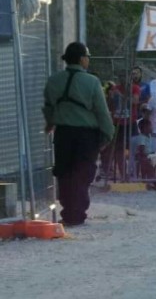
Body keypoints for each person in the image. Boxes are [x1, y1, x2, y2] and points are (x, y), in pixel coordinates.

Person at [43, 42, 114, 227]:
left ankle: (68, 213)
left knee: (64, 172)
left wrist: (50, 124)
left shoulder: (53, 80)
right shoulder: (92, 81)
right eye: (87, 57)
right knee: (83, 174)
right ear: (82, 59)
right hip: (86, 136)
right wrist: (108, 134)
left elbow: (49, 107)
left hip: (63, 134)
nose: (88, 60)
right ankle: (78, 213)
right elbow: (102, 112)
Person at [132, 118, 156, 190]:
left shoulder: (151, 137)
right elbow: (142, 150)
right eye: (150, 126)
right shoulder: (141, 138)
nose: (152, 128)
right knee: (149, 162)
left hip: (152, 155)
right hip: (144, 156)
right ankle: (152, 182)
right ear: (144, 128)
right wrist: (149, 155)